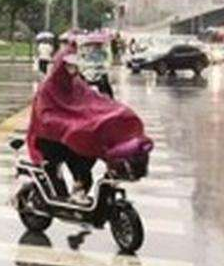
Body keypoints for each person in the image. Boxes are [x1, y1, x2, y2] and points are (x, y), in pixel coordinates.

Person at [27, 45, 149, 205]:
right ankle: (68, 195)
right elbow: (45, 117)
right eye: (68, 66)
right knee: (63, 168)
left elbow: (91, 101)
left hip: (72, 137)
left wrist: (113, 110)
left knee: (88, 156)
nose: (72, 69)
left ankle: (80, 190)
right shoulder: (48, 88)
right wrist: (68, 126)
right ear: (59, 66)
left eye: (73, 65)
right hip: (50, 140)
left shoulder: (77, 84)